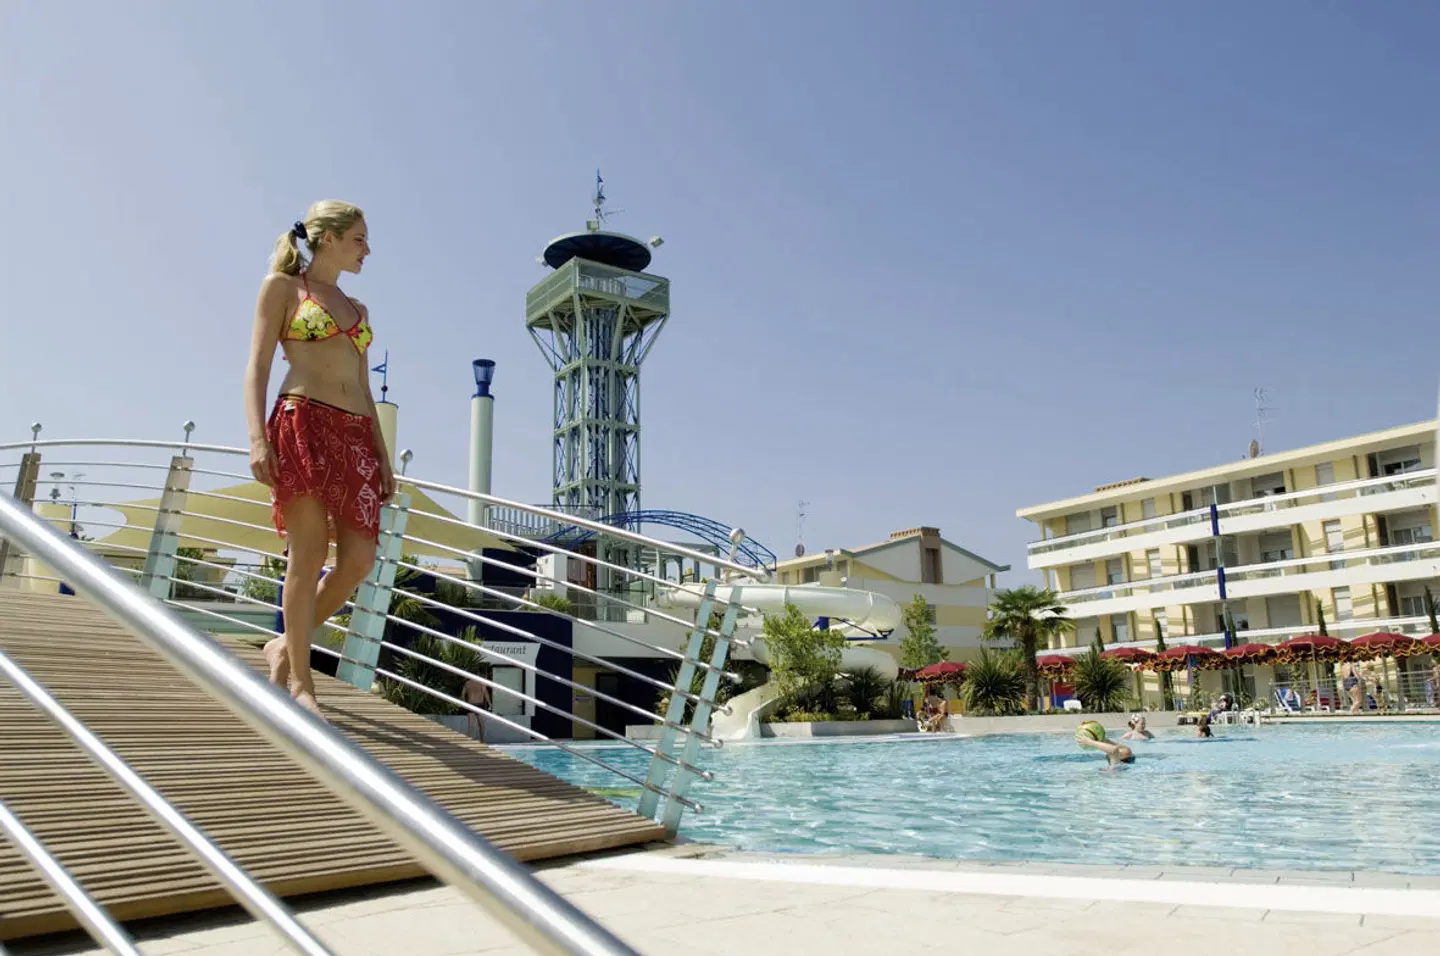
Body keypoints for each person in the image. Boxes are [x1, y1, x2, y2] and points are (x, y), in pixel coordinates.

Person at [245, 201, 395, 719]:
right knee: (306, 556)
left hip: (355, 433)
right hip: (302, 422)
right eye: (359, 239)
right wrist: (257, 439)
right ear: (327, 238)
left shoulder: (360, 309)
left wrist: (382, 454)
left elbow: (365, 387)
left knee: (358, 561)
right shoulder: (283, 289)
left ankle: (285, 645)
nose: (367, 250)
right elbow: (258, 368)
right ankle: (302, 682)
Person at [462, 676, 492, 741]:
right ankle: (482, 740)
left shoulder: (467, 683)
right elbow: (485, 693)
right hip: (480, 705)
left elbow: (462, 694)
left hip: (471, 705)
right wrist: (489, 704)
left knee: (471, 726)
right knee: (481, 725)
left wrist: (464, 703)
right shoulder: (481, 682)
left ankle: (468, 741)